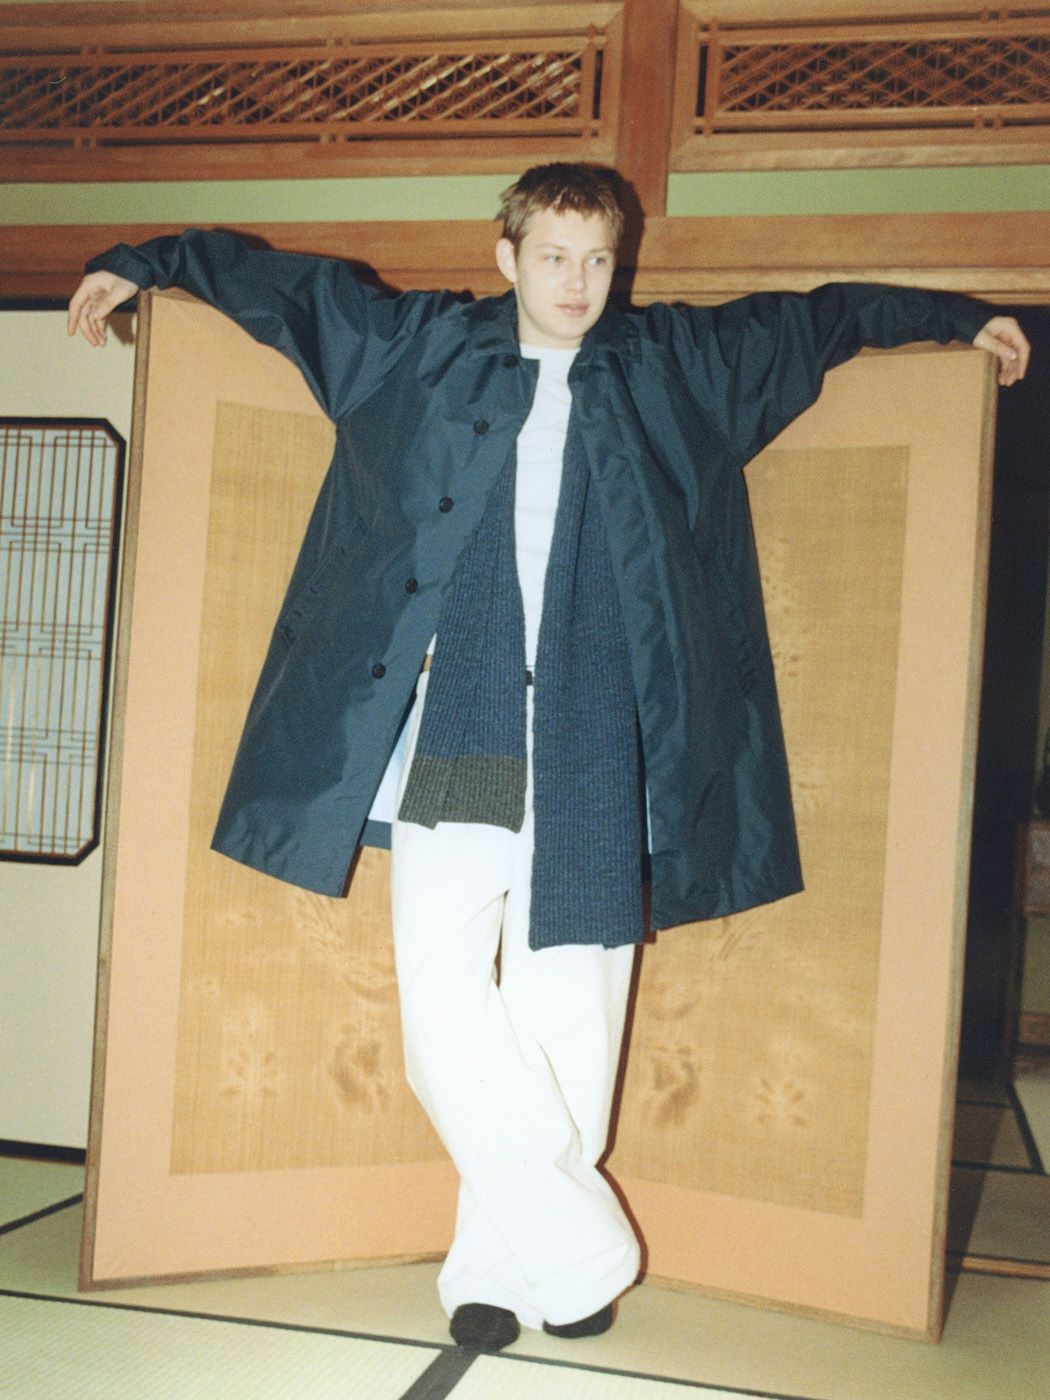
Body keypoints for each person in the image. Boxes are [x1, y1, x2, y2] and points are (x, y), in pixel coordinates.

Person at [68, 164, 1030, 1353]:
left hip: (596, 734)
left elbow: (819, 320)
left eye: (598, 260)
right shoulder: (419, 346)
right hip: (464, 728)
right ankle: (585, 1246)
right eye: (556, 256)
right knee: (441, 1009)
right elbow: (284, 291)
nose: (578, 283)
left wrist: (954, 318)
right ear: (508, 256)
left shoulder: (674, 363)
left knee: (572, 1010)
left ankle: (497, 1269)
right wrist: (144, 260)